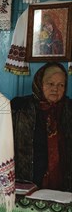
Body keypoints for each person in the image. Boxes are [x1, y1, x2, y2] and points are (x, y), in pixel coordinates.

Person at [11, 62, 71, 191]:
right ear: (40, 83)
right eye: (50, 83)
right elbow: (3, 145)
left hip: (65, 187)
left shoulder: (69, 109)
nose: (55, 89)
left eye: (61, 85)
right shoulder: (19, 107)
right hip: (25, 184)